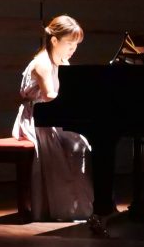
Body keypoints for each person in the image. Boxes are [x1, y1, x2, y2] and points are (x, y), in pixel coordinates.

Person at [12, 15, 96, 222]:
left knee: (81, 145)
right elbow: (49, 95)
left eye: (76, 44)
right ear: (55, 40)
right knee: (64, 149)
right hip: (37, 118)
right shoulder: (42, 63)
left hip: (53, 115)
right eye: (70, 43)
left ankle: (80, 205)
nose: (73, 49)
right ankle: (61, 207)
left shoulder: (63, 61)